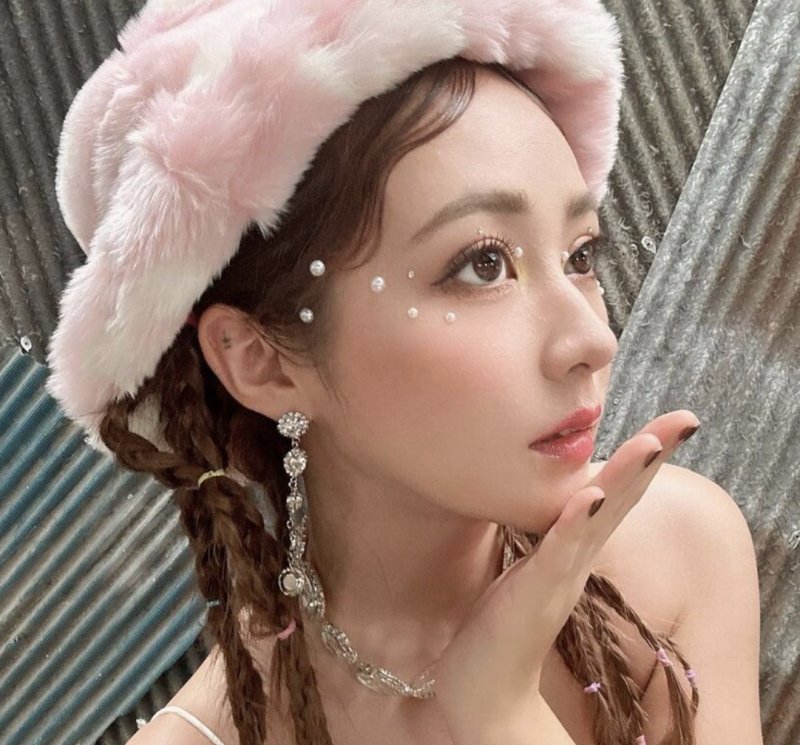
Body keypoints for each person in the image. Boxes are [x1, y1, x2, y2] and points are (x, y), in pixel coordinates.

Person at [44, 1, 762, 744]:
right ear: (263, 361)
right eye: (483, 264)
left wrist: (498, 705)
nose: (592, 339)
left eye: (580, 255)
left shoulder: (673, 552)